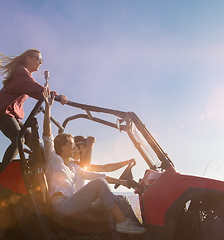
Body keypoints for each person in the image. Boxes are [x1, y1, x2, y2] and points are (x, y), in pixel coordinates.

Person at [42, 86, 146, 235]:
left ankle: (139, 233)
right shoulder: (53, 159)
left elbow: (99, 175)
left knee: (122, 199)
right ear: (61, 146)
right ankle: (123, 223)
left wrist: (122, 182)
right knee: (98, 185)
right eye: (71, 146)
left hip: (76, 203)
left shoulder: (73, 166)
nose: (74, 149)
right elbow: (47, 134)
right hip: (62, 206)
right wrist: (48, 107)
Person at [0, 49, 67, 162]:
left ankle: (37, 172)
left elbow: (35, 89)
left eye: (42, 60)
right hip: (2, 112)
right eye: (38, 59)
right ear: (28, 58)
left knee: (34, 141)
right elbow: (35, 88)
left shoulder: (24, 74)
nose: (40, 62)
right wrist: (57, 96)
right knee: (18, 140)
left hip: (11, 114)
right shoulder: (21, 72)